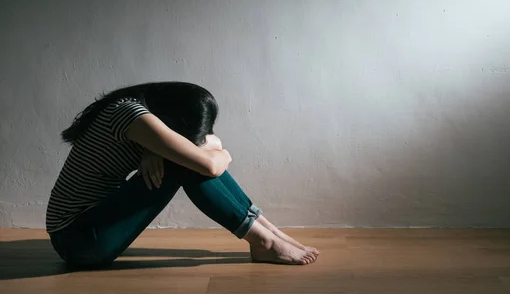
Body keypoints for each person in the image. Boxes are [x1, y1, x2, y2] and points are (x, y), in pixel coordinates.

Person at [46, 81, 319, 267]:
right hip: (78, 242)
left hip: (89, 230)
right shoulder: (130, 115)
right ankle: (263, 240)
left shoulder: (139, 111)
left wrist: (162, 149)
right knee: (184, 163)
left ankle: (267, 230)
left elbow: (210, 141)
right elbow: (211, 163)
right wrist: (224, 155)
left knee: (184, 159)